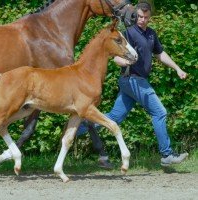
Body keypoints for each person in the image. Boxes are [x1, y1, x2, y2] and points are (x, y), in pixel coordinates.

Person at [77, 1, 188, 166]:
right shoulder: (128, 32)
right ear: (136, 15)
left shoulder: (151, 34)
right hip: (133, 80)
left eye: (146, 17)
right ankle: (167, 155)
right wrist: (124, 62)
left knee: (115, 116)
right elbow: (114, 55)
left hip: (133, 82)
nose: (142, 20)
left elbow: (160, 54)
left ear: (150, 17)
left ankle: (77, 128)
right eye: (140, 17)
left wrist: (177, 68)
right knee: (160, 112)